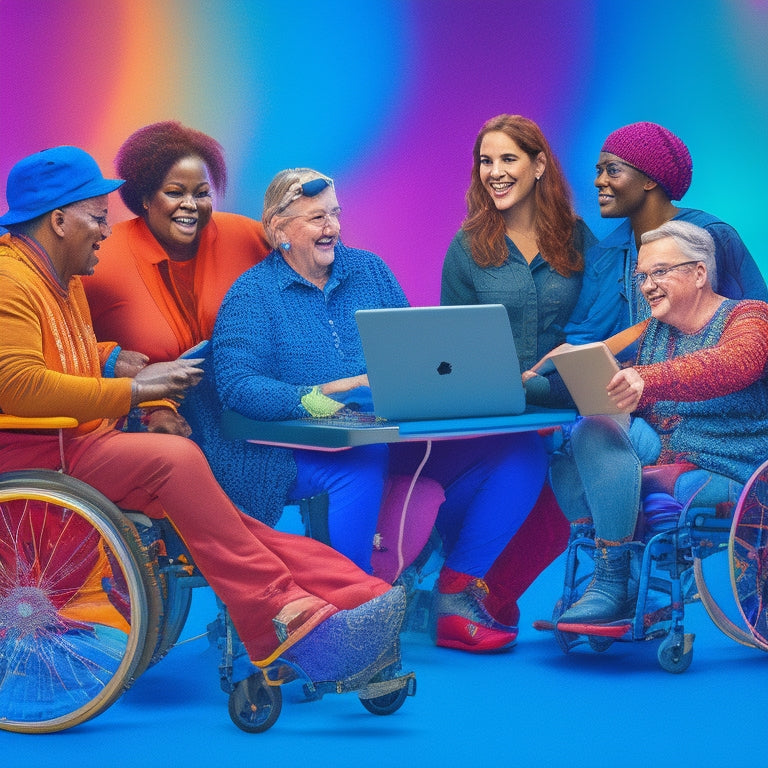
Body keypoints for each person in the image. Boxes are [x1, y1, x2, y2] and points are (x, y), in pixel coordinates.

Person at [0, 145, 407, 691]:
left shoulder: (62, 275)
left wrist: (111, 356)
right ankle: (277, 621)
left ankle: (355, 594)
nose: (105, 230)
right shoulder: (10, 281)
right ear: (57, 220)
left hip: (81, 439)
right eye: (97, 218)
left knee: (227, 522)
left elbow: (58, 349)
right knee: (177, 462)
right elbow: (16, 384)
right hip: (40, 449)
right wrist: (133, 389)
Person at [192, 167, 549, 652]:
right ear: (279, 230)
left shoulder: (370, 271)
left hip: (395, 433)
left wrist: (469, 381)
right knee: (360, 464)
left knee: (521, 452)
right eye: (317, 217)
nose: (332, 228)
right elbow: (237, 385)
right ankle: (355, 611)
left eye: (335, 215)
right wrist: (322, 396)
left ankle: (455, 594)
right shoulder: (252, 296)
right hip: (296, 448)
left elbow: (417, 351)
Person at [550, 220, 768, 624]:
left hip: (732, 466)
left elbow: (736, 363)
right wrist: (538, 381)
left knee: (645, 475)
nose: (647, 285)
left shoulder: (750, 318)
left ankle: (615, 581)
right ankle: (613, 575)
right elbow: (621, 382)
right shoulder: (655, 331)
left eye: (660, 272)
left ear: (699, 272)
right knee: (585, 434)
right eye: (642, 276)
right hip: (666, 450)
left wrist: (645, 379)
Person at [440, 114, 597, 628]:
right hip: (496, 412)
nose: (495, 172)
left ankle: (485, 599)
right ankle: (461, 596)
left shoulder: (577, 239)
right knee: (516, 468)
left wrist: (549, 386)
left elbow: (596, 328)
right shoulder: (467, 247)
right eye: (486, 161)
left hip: (567, 400)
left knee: (564, 504)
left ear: (539, 166)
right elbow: (453, 352)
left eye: (508, 159)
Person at [82, 121, 271, 436]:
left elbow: (308, 274)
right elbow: (61, 346)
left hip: (243, 414)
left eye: (202, 193)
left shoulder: (247, 236)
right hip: (145, 425)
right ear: (145, 197)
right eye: (174, 192)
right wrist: (114, 364)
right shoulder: (101, 259)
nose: (190, 205)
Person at [565, 121, 768, 350]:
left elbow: (756, 321)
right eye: (599, 171)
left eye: (612, 170)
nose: (599, 181)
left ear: (650, 179)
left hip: (706, 379)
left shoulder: (712, 235)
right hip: (619, 382)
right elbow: (582, 337)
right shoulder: (604, 254)